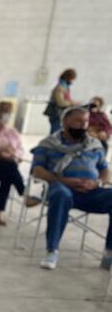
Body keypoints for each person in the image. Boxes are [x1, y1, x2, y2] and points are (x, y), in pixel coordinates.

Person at [31, 107, 112, 271]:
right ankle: (51, 251)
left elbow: (105, 170)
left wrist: (96, 183)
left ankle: (109, 253)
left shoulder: (94, 145)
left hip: (91, 191)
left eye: (86, 122)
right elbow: (37, 170)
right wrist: (63, 180)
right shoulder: (48, 144)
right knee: (60, 193)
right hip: (62, 189)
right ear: (65, 121)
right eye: (78, 121)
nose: (83, 125)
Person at [44, 69, 77, 134]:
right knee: (56, 133)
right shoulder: (60, 87)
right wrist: (72, 103)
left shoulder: (65, 87)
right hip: (56, 113)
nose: (72, 81)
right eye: (72, 79)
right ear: (68, 78)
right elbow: (61, 103)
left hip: (60, 113)